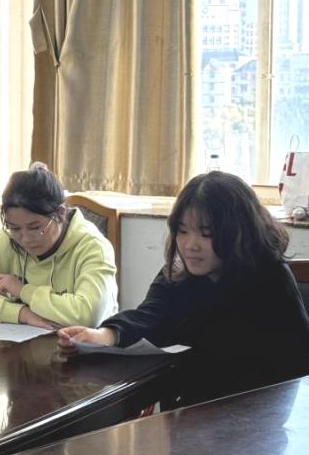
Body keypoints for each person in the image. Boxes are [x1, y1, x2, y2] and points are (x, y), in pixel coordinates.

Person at [58, 171, 309, 406]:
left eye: (206, 233)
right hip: (192, 411)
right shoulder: (179, 271)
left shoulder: (270, 278)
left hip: (256, 414)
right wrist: (103, 336)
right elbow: (150, 316)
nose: (190, 245)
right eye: (182, 231)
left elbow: (295, 365)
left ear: (238, 232)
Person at [0, 163, 118, 328]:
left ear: (60, 214)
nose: (25, 239)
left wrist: (23, 291)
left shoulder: (93, 246)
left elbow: (88, 314)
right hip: (24, 345)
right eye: (15, 228)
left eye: (35, 228)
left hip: (87, 347)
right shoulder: (6, 241)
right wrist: (20, 313)